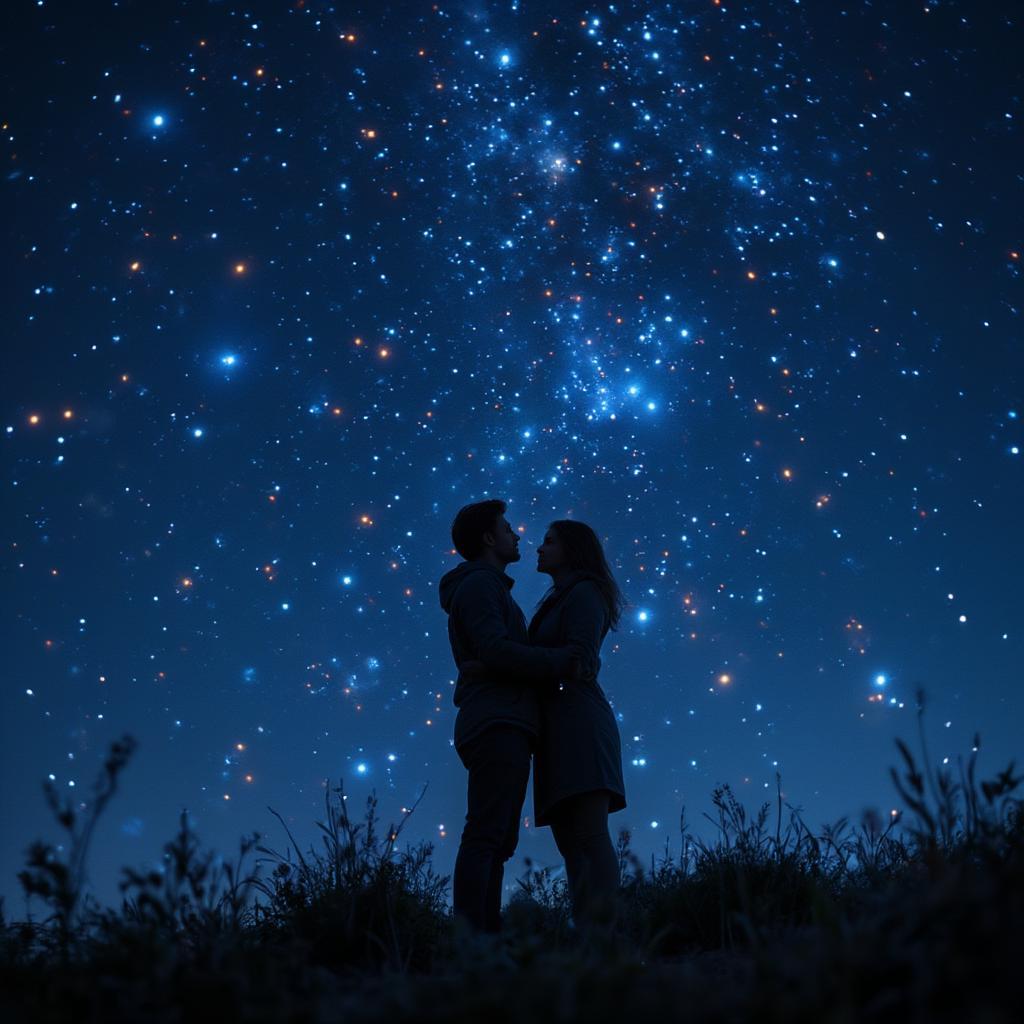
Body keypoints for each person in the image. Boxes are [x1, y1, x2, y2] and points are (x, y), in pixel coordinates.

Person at [438, 499, 586, 935]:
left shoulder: (488, 587)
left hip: (504, 719)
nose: (517, 536)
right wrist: (561, 661)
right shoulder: (481, 586)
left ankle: (485, 935)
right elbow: (495, 649)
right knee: (487, 834)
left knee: (498, 838)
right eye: (506, 529)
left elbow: (493, 654)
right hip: (497, 720)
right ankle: (472, 940)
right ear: (488, 538)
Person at [529, 520, 627, 932]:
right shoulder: (557, 600)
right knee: (570, 845)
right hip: (554, 726)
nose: (538, 548)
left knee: (588, 834)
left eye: (549, 542)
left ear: (572, 549)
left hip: (580, 722)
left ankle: (608, 937)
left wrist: (511, 661)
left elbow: (581, 658)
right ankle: (588, 938)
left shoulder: (585, 593)